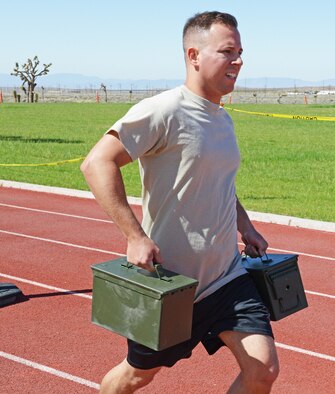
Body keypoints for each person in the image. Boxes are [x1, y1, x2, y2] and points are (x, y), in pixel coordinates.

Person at [81, 11, 279, 393]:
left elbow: (219, 181)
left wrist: (246, 226)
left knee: (263, 369)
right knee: (136, 376)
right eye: (227, 52)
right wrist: (134, 236)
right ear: (194, 56)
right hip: (173, 284)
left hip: (226, 277)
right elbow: (96, 163)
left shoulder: (223, 118)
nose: (238, 61)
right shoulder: (163, 110)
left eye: (240, 52)